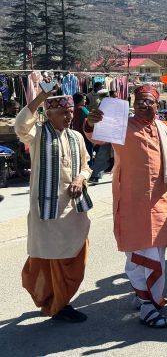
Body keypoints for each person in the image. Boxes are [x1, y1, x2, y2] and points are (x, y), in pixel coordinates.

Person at [85, 85, 167, 328]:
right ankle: (148, 305)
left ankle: (146, 297)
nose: (142, 104)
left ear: (157, 106)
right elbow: (95, 136)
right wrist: (90, 122)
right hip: (131, 202)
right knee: (137, 253)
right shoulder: (121, 126)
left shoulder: (162, 128)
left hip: (159, 201)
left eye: (148, 101)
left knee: (157, 253)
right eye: (139, 100)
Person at [15, 87, 92, 323]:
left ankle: (60, 300)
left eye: (70, 112)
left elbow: (86, 165)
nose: (69, 117)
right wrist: (41, 97)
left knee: (76, 255)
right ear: (49, 114)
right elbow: (20, 126)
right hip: (47, 214)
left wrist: (81, 178)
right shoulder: (37, 135)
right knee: (50, 259)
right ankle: (59, 305)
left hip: (73, 212)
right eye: (63, 113)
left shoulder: (76, 137)